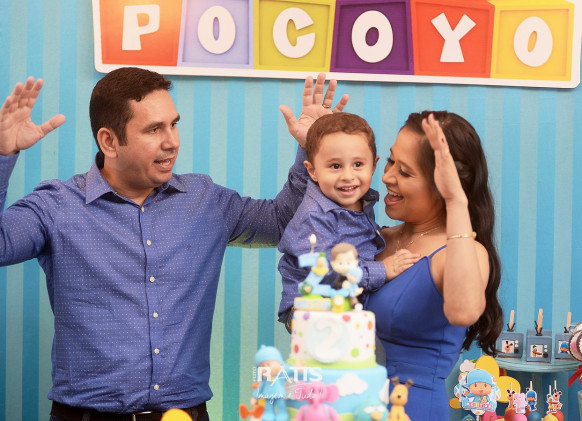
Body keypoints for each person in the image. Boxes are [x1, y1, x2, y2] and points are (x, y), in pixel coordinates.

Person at [0, 68, 348, 421]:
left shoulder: (205, 200)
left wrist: (313, 147)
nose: (172, 142)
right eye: (154, 129)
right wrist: (2, 155)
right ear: (109, 142)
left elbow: (281, 223)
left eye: (173, 124)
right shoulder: (57, 206)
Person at [365, 111, 504, 420]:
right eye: (390, 161)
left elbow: (464, 312)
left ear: (444, 185)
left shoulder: (462, 253)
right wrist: (313, 147)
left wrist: (456, 202)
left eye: (404, 172)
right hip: (354, 405)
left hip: (412, 409)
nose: (386, 177)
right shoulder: (374, 238)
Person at [276, 113, 419, 328]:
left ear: (373, 165)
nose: (347, 176)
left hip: (345, 296)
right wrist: (383, 269)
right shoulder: (315, 216)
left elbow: (359, 235)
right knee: (337, 340)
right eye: (335, 166)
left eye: (358, 164)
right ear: (312, 171)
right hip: (309, 304)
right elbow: (328, 271)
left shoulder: (358, 200)